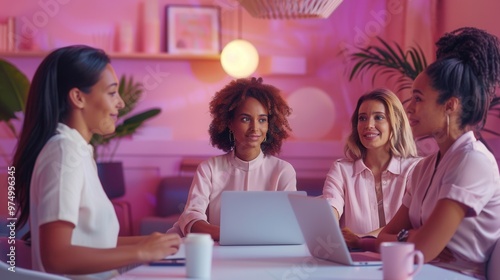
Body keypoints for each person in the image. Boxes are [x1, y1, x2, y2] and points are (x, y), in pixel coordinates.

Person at [12, 45, 181, 279]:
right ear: (78, 97)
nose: (120, 103)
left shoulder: (77, 150)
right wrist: (141, 251)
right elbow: (56, 257)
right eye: (112, 93)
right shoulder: (63, 151)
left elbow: (95, 243)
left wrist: (153, 242)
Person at [377, 27, 500, 279]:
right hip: (419, 272)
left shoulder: (473, 161)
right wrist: (411, 238)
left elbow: (423, 248)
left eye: (418, 99)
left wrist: (414, 240)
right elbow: (386, 238)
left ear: (450, 105)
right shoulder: (423, 168)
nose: (408, 109)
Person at [167, 77, 297, 241]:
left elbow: (288, 224)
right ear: (230, 123)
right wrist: (230, 235)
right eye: (245, 119)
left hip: (264, 254)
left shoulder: (282, 171)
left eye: (262, 120)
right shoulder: (209, 168)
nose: (255, 128)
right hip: (214, 253)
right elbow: (191, 218)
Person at [322, 88, 420, 250]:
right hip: (354, 262)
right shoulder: (341, 169)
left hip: (400, 258)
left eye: (379, 117)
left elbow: (407, 225)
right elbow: (330, 207)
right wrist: (329, 228)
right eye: (362, 118)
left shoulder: (416, 169)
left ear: (395, 123)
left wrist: (359, 239)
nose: (368, 125)